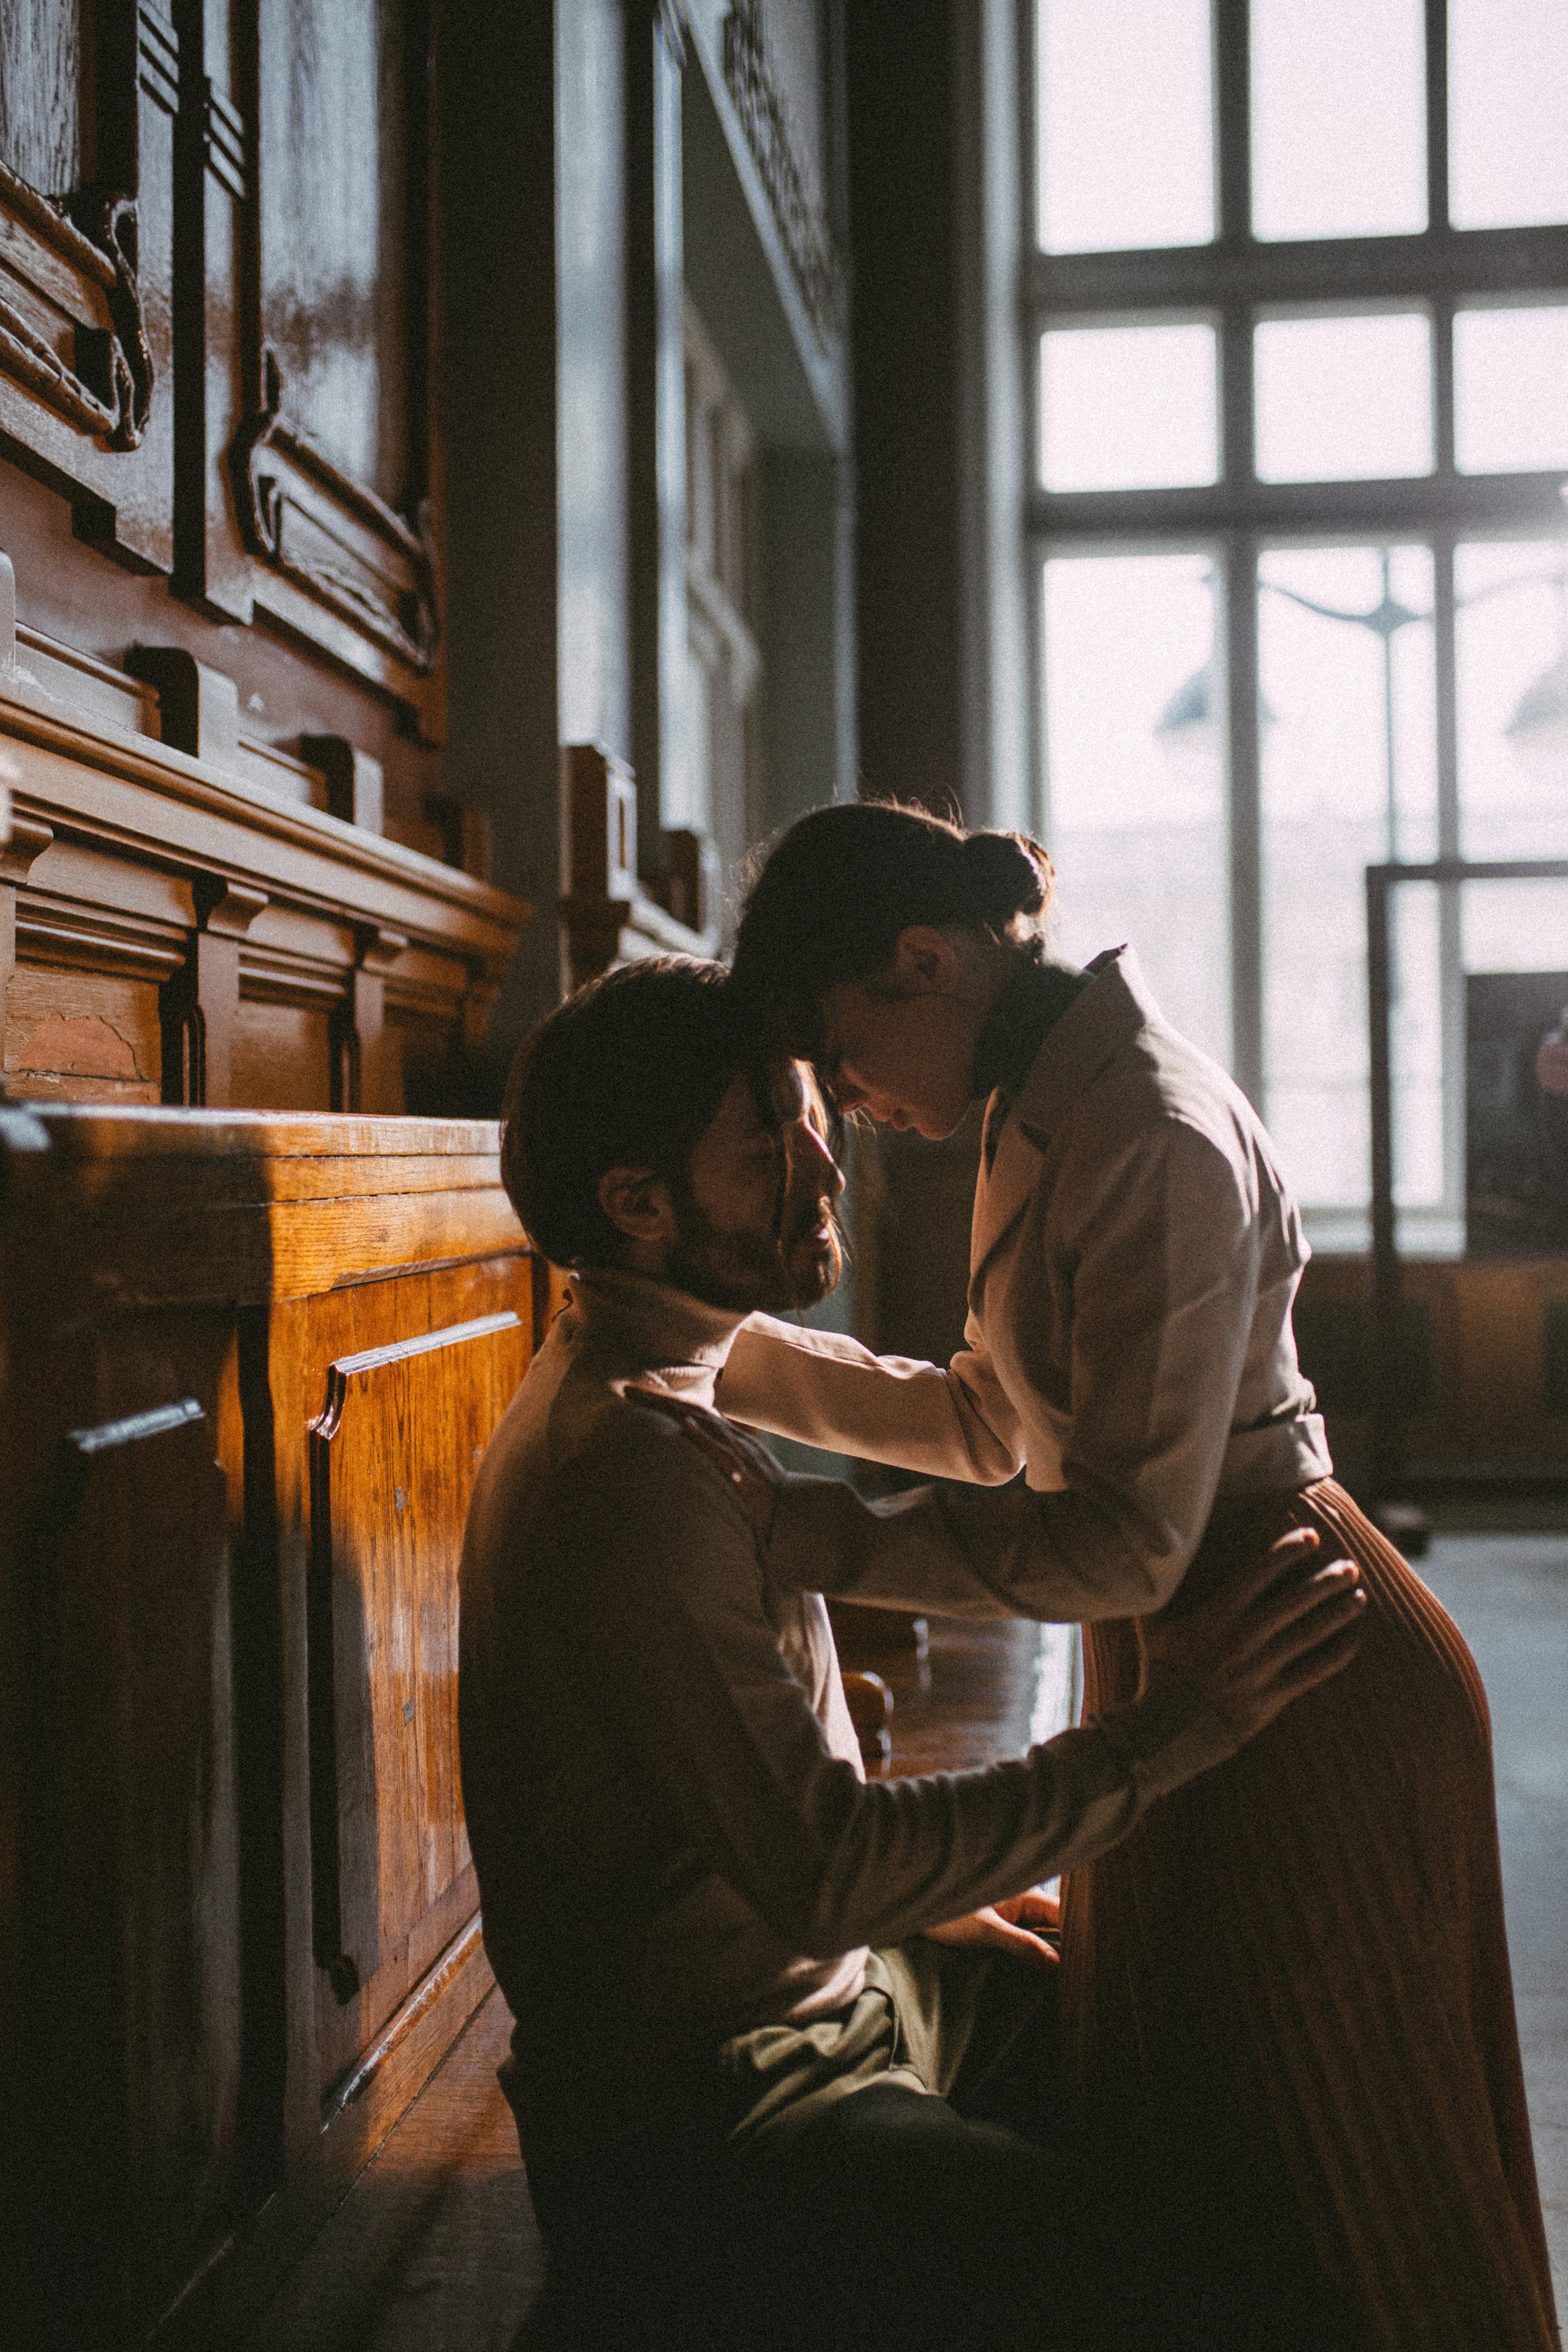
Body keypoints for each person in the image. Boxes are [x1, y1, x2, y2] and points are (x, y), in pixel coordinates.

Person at [721, 799, 1561, 2352]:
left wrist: (818, 1539)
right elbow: (992, 1418)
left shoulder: (1144, 1128)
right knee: (1213, 2132)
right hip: (1194, 1640)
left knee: (1344, 2170)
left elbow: (1125, 1540)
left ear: (925, 960)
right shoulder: (1044, 1099)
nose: (845, 1106)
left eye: (839, 1053)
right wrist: (737, 1359)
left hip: (1287, 1655)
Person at [458, 956, 1365, 2352]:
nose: (827, 1164)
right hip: (717, 2112)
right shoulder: (629, 1472)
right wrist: (1175, 1724)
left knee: (1210, 2066)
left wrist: (927, 1913)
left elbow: (964, 1431)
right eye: (768, 1141)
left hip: (836, 1996)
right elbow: (824, 1872)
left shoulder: (668, 1355)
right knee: (1230, 2293)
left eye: (814, 1114)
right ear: (637, 1204)